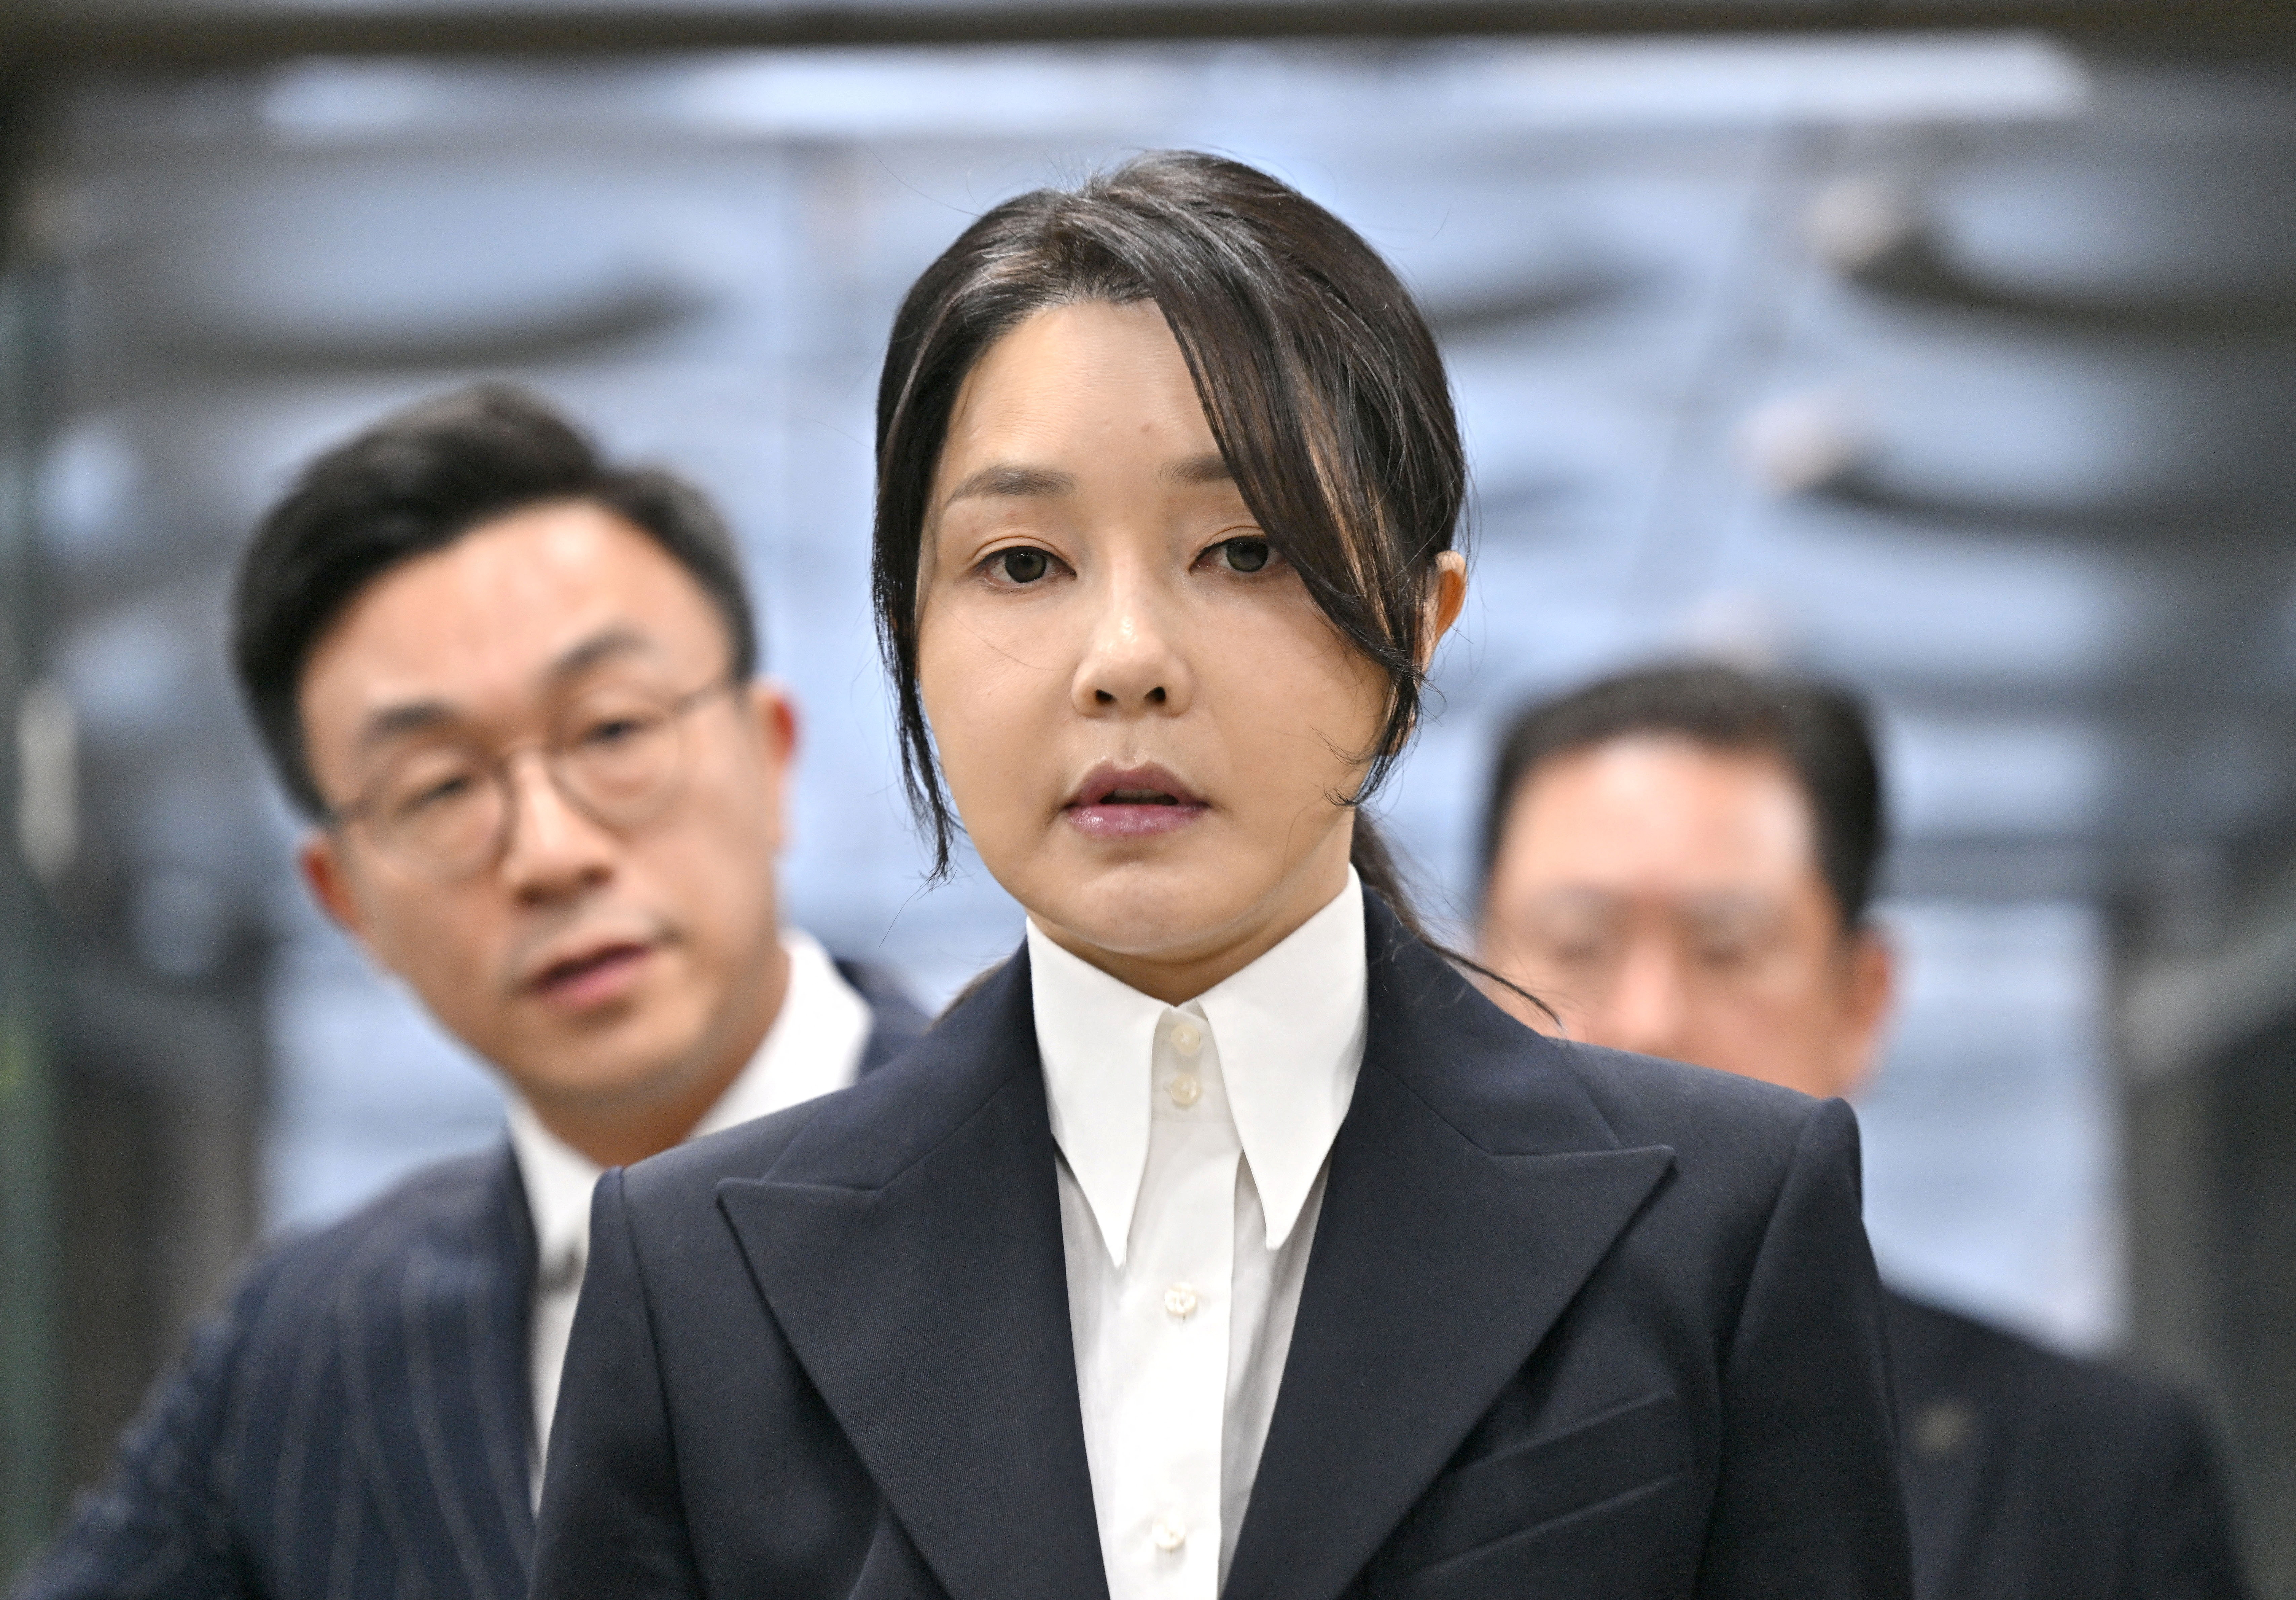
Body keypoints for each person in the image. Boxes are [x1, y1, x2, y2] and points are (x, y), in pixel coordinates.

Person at [530, 151, 1911, 1599]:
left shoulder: (1719, 1223)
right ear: (909, 633)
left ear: (1419, 619)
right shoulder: (698, 1278)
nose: (1127, 658)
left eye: (1244, 550)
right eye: (1019, 563)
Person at [14, 385, 926, 1600]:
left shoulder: (1063, 1190)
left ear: (769, 758)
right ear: (349, 902)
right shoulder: (305, 1348)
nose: (549, 853)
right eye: (438, 791)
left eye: (610, 730)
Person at [1475, 661, 2250, 1600]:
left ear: (1861, 1002)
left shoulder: (2095, 1466)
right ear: (1468, 991)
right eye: (1577, 946)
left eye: (1729, 948)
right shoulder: (1333, 1399)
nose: (1649, 1021)